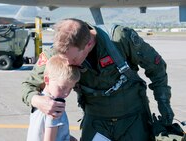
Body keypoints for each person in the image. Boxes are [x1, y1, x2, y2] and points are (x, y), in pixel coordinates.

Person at [22, 18, 174, 141]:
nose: (68, 64)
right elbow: (28, 86)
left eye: (74, 58)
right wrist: (38, 101)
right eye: (65, 58)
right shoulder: (58, 53)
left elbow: (157, 67)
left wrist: (164, 104)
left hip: (133, 120)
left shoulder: (119, 38)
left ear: (88, 44)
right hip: (96, 122)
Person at [26, 54, 80, 141]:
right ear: (47, 80)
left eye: (70, 88)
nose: (66, 93)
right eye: (62, 88)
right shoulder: (55, 108)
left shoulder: (39, 102)